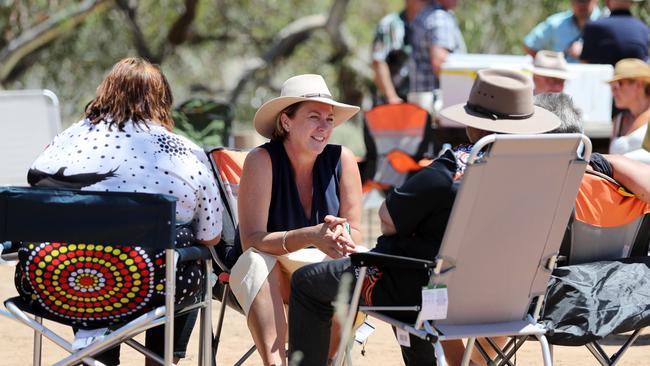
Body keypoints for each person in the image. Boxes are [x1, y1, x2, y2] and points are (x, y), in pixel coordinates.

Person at [288, 69, 562, 366]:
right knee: (410, 275)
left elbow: (388, 218)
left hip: (433, 293)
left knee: (308, 282)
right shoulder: (547, 171)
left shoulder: (452, 169)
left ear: (473, 123)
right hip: (511, 297)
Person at [27, 57, 222, 365]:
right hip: (152, 288)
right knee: (186, 256)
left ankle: (97, 355)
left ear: (104, 92)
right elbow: (210, 236)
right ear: (163, 100)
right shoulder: (184, 153)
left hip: (58, 282)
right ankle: (161, 358)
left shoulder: (64, 142)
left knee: (90, 252)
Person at [227, 74, 363, 365]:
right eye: (314, 117)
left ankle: (327, 359)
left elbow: (357, 231)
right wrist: (312, 235)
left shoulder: (343, 160)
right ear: (286, 122)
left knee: (358, 266)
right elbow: (251, 239)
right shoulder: (261, 161)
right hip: (272, 276)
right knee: (256, 261)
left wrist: (342, 237)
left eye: (329, 119)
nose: (324, 127)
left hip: (321, 274)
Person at [409, 0, 466, 113]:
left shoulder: (425, 13)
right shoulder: (440, 18)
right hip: (437, 104)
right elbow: (440, 65)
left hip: (423, 101)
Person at [371, 0, 428, 105]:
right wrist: (392, 98)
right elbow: (378, 62)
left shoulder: (427, 26)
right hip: (393, 102)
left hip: (419, 102)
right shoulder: (390, 24)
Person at [524, 0, 601, 63]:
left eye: (585, 0)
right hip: (560, 80)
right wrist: (550, 65)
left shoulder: (608, 22)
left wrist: (585, 54)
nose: (581, 4)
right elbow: (530, 45)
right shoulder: (556, 23)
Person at [580, 0, 649, 65]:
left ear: (607, 2)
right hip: (637, 77)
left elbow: (585, 64)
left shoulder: (594, 27)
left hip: (606, 77)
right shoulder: (644, 28)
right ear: (632, 4)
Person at [606, 58, 650, 155]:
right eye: (612, 85)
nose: (613, 90)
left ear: (639, 85)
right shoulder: (618, 121)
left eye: (619, 83)